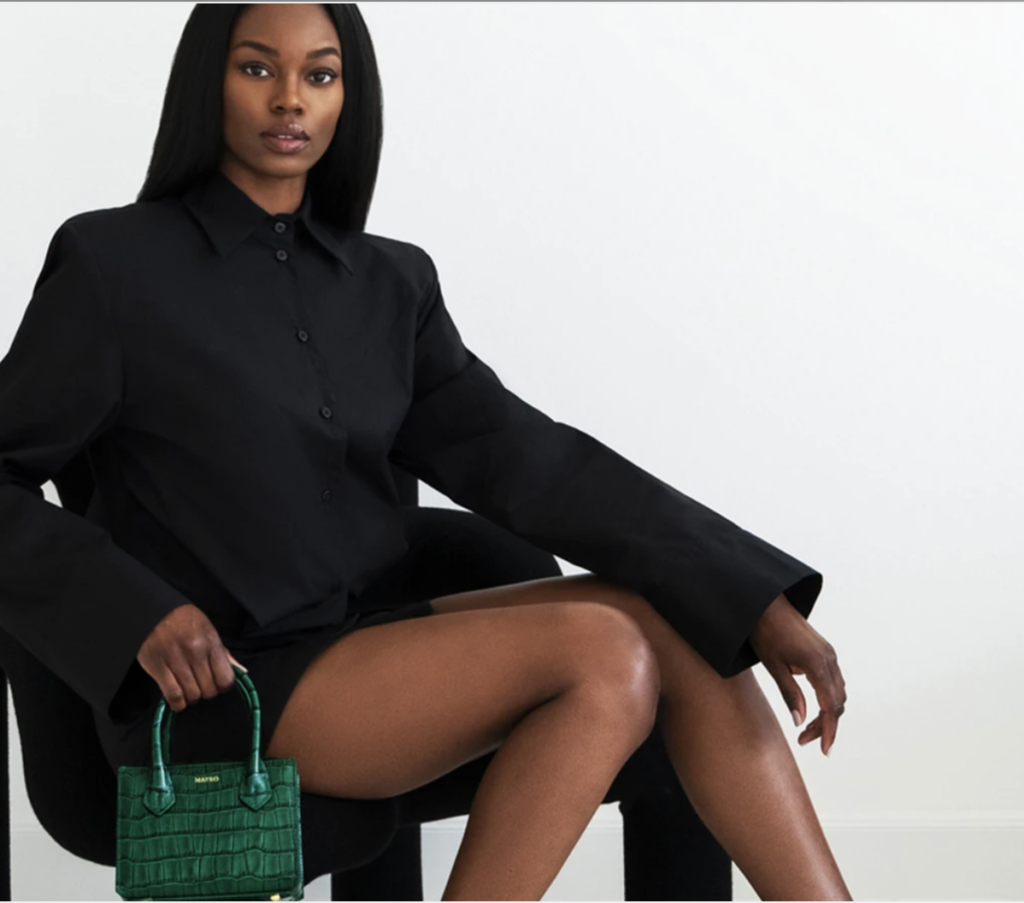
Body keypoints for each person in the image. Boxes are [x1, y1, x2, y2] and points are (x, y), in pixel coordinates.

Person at [0, 4, 851, 900]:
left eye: (319, 74)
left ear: (349, 96)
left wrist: (756, 599)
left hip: (367, 647)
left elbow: (534, 460)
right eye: (257, 69)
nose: (290, 99)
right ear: (206, 82)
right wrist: (134, 611)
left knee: (682, 619)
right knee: (605, 648)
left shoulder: (389, 283)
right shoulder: (114, 265)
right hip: (219, 688)